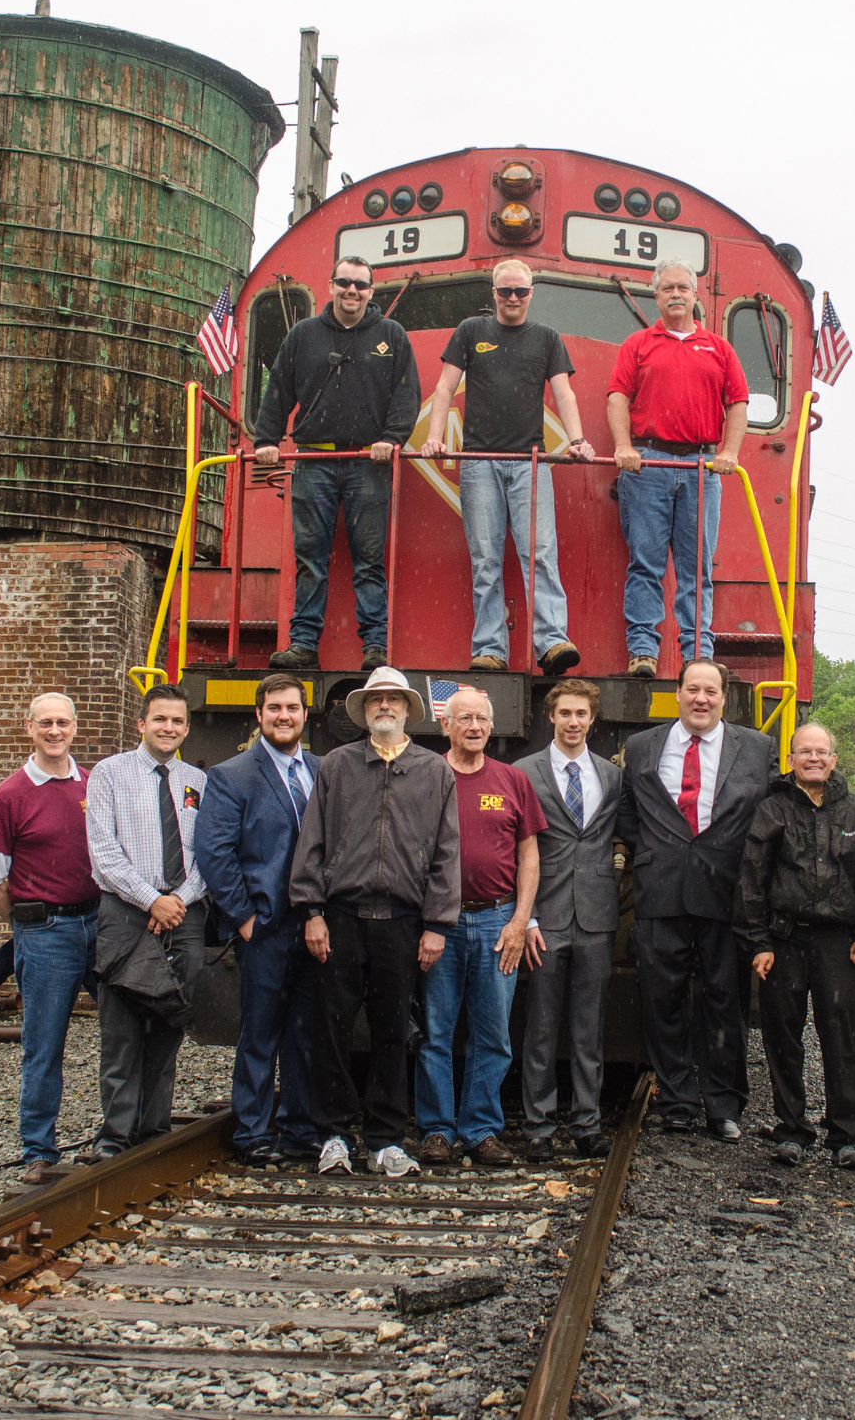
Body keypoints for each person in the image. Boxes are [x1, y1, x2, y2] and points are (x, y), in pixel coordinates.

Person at [292, 667, 462, 1177]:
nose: (384, 707)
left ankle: (387, 1139)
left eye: (393, 700)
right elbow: (313, 841)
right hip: (340, 918)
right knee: (333, 1027)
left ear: (408, 709)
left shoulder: (435, 772)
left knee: (394, 1030)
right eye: (375, 701)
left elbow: (446, 853)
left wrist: (437, 923)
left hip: (402, 922)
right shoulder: (337, 766)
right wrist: (312, 911)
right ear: (364, 711)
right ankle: (336, 1135)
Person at [614, 658, 776, 1136]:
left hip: (728, 895)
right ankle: (678, 1101)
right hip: (660, 891)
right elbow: (628, 812)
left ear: (724, 697)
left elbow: (768, 818)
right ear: (679, 693)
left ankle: (723, 1106)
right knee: (661, 1000)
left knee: (725, 1001)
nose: (701, 699)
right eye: (693, 690)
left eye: (711, 691)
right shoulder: (643, 746)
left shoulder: (757, 747)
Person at [418, 259, 588, 675]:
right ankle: (490, 648)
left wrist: (578, 440)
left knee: (541, 554)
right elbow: (444, 388)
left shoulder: (547, 338)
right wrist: (434, 437)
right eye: (505, 291)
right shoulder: (470, 332)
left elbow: (563, 393)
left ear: (532, 293)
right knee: (486, 559)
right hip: (477, 462)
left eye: (521, 291)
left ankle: (552, 643)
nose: (513, 298)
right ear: (493, 293)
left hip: (531, 461)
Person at [255, 256, 422, 673]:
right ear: (331, 285)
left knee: (369, 557)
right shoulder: (303, 335)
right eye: (345, 283)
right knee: (310, 555)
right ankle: (304, 643)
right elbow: (278, 390)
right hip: (313, 459)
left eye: (361, 285)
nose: (352, 291)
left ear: (372, 291)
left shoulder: (392, 336)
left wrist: (391, 439)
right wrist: (265, 440)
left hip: (368, 460)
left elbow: (406, 396)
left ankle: (375, 647)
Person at [737, 722, 855, 1171]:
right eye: (805, 752)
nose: (814, 759)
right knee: (783, 1037)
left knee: (841, 1037)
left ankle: (846, 1135)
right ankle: (791, 1131)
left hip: (839, 945)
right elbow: (751, 880)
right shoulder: (772, 809)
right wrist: (758, 942)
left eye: (822, 752)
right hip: (783, 940)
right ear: (791, 760)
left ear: (834, 760)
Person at [412, 687, 546, 1165]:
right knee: (436, 1030)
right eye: (463, 718)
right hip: (440, 926)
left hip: (496, 922)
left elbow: (529, 855)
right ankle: (436, 1130)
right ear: (444, 725)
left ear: (492, 726)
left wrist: (520, 919)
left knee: (493, 1034)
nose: (474, 727)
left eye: (482, 719)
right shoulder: (426, 776)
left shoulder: (512, 780)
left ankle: (480, 1129)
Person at [193, 675, 323, 1166]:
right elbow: (214, 852)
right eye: (274, 708)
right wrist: (243, 917)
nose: (283, 716)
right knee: (259, 1034)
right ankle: (252, 1133)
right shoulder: (232, 775)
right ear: (260, 715)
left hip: (314, 925)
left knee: (303, 1032)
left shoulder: (322, 769)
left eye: (292, 708)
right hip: (264, 927)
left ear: (305, 715)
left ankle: (297, 1128)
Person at [0, 691, 98, 1182]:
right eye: (44, 723)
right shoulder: (9, 796)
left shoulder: (92, 784)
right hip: (44, 930)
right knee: (44, 1042)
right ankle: (38, 1148)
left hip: (100, 923)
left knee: (126, 1029)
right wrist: (23, 923)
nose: (54, 731)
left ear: (74, 728)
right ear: (29, 728)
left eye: (62, 722)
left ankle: (119, 1135)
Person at [83, 684, 211, 1162]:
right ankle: (114, 1138)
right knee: (120, 1029)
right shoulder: (109, 775)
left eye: (177, 721)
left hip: (185, 914)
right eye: (160, 719)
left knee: (168, 1024)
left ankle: (154, 1131)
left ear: (186, 727)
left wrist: (177, 899)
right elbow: (103, 853)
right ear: (141, 723)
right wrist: (150, 900)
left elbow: (209, 852)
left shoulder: (197, 780)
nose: (169, 728)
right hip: (125, 913)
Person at [604, 259, 749, 677]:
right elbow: (617, 396)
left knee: (696, 567)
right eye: (667, 288)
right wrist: (623, 446)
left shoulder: (719, 348)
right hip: (648, 462)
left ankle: (696, 655)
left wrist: (730, 453)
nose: (676, 295)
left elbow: (737, 403)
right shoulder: (637, 345)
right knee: (645, 562)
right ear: (656, 295)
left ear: (695, 294)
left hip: (702, 465)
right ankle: (643, 651)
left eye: (683, 288)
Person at [514, 678, 624, 1160]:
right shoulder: (524, 773)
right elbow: (515, 850)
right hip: (546, 916)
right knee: (540, 1025)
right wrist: (528, 918)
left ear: (592, 720)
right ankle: (537, 1126)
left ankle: (586, 1122)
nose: (573, 722)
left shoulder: (611, 775)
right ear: (550, 717)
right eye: (565, 714)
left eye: (582, 714)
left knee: (588, 1027)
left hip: (597, 917)